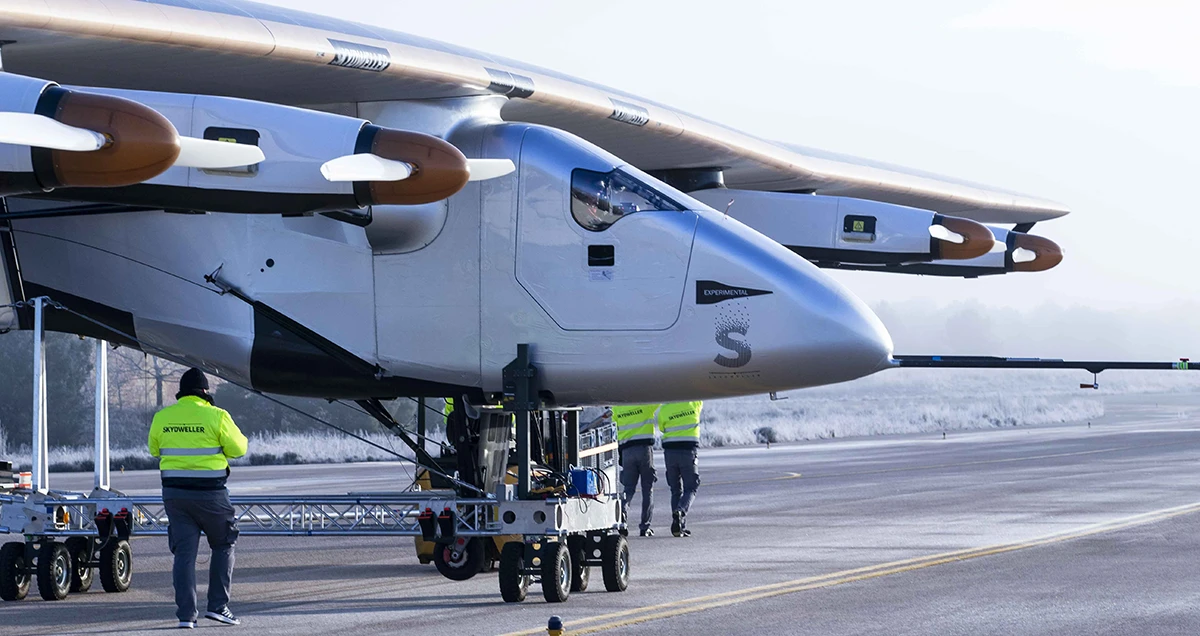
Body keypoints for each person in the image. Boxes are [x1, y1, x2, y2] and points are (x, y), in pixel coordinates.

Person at [148, 368, 248, 629]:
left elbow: (153, 448)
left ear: (181, 393)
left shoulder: (162, 417)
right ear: (205, 392)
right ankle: (217, 607)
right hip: (211, 495)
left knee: (184, 555)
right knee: (224, 544)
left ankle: (185, 616)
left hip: (175, 496)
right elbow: (239, 449)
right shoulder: (217, 415)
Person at [611, 404, 659, 536]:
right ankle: (645, 527)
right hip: (644, 450)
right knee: (647, 489)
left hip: (626, 452)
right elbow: (661, 396)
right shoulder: (645, 404)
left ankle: (622, 516)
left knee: (628, 489)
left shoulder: (617, 408)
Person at [658, 401, 702, 537]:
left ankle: (678, 526)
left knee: (675, 490)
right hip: (688, 451)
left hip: (670, 453)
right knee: (691, 487)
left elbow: (662, 427)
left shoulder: (664, 408)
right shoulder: (694, 404)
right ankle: (681, 511)